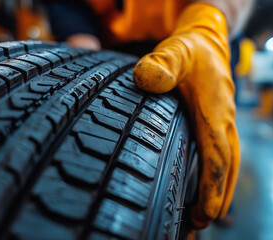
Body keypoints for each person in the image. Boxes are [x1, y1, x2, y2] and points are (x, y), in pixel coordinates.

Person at [47, 0, 254, 229]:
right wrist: (78, 32)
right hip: (114, 43)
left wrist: (208, 21)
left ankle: (222, 197)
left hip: (201, 33)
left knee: (214, 140)